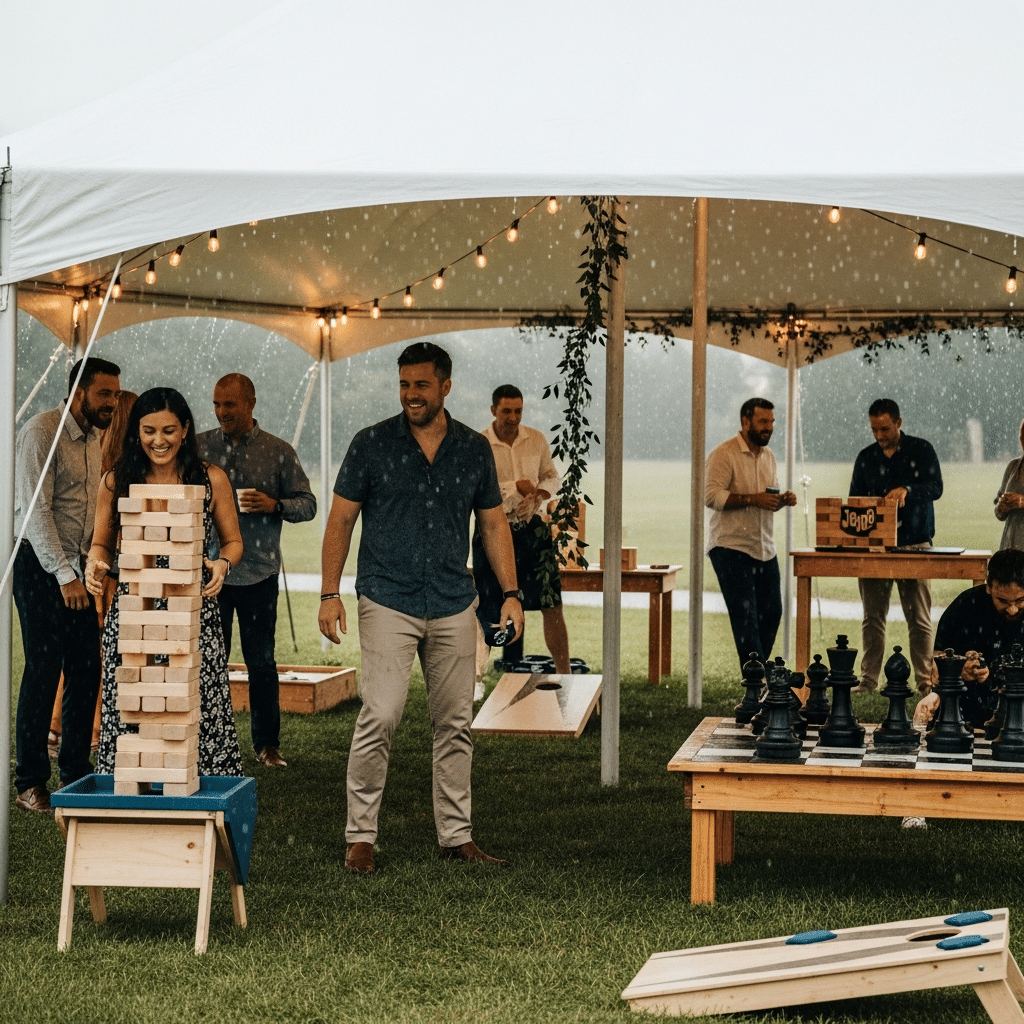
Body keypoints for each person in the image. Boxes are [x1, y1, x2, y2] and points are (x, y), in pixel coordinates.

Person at [319, 341, 524, 876]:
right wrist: (328, 592)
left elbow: (493, 524)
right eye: (404, 384)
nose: (411, 394)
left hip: (454, 601)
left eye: (422, 385)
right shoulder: (371, 444)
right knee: (381, 715)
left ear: (446, 386)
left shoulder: (473, 448)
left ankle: (457, 837)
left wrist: (511, 593)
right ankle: (360, 837)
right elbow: (341, 520)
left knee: (455, 723)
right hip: (387, 597)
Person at [86, 387, 244, 778]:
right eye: (149, 431)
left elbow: (233, 542)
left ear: (185, 429)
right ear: (136, 432)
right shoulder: (115, 481)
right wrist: (95, 564)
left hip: (191, 612)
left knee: (193, 702)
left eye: (169, 430)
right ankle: (134, 789)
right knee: (134, 701)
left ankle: (202, 788)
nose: (159, 440)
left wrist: (223, 564)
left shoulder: (211, 479)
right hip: (135, 614)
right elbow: (101, 543)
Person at [12, 357, 121, 814]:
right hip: (39, 566)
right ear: (78, 393)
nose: (112, 403)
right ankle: (30, 782)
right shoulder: (42, 431)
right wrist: (64, 576)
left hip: (76, 569)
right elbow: (36, 512)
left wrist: (95, 565)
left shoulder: (95, 438)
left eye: (115, 395)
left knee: (85, 667)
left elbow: (89, 509)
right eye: (104, 394)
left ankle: (75, 772)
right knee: (44, 668)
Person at [197, 373, 316, 768]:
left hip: (259, 574)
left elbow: (308, 504)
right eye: (216, 404)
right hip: (209, 575)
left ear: (251, 403)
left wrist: (274, 505)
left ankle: (267, 746)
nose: (221, 412)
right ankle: (206, 743)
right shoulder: (198, 448)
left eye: (229, 404)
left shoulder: (278, 451)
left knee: (261, 664)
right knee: (206, 661)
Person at [472, 384, 570, 688]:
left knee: (552, 603)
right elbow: (476, 489)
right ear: (493, 410)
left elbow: (552, 477)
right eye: (506, 411)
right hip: (492, 531)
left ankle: (565, 675)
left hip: (533, 532)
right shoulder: (479, 444)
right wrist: (516, 487)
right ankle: (474, 680)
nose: (513, 418)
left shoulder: (536, 439)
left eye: (518, 411)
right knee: (485, 606)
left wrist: (539, 494)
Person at [849, 398, 943, 693]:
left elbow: (936, 488)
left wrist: (908, 490)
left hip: (915, 542)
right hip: (875, 547)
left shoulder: (922, 449)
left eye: (885, 429)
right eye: (874, 429)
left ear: (899, 423)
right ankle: (868, 681)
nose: (879, 435)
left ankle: (925, 682)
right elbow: (854, 501)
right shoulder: (866, 457)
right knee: (872, 617)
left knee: (919, 618)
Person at [705, 397, 796, 669]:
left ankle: (755, 675)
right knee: (746, 618)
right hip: (730, 547)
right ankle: (757, 681)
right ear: (745, 422)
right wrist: (752, 499)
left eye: (772, 421)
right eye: (762, 421)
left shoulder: (769, 457)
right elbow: (711, 496)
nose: (769, 427)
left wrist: (781, 501)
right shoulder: (724, 454)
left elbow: (766, 500)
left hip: (764, 547)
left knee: (773, 612)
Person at [931, 547, 1024, 729]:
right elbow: (935, 664)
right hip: (967, 714)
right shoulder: (966, 606)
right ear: (989, 586)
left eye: (1020, 600)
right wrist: (958, 670)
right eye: (1003, 601)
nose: (1012, 609)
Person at [994, 418, 1024, 550]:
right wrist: (1001, 507)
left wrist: (1021, 502)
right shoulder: (1013, 466)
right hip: (1011, 545)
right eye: (1022, 436)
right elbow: (999, 513)